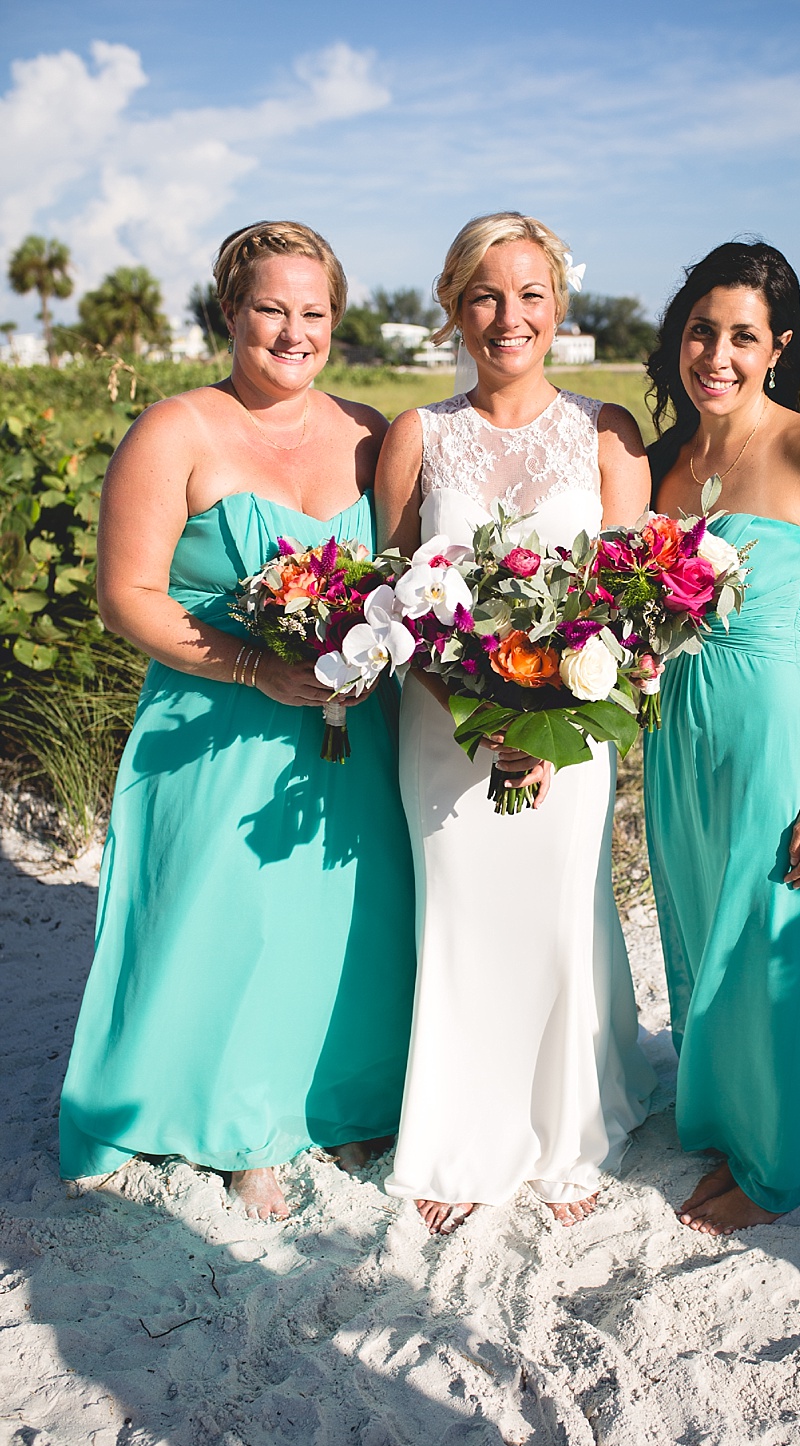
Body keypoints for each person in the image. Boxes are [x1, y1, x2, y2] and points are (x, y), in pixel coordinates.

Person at [60, 221, 416, 1219]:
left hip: (355, 723)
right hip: (218, 715)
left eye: (314, 312)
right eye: (271, 309)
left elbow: (408, 578)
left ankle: (342, 1099)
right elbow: (126, 593)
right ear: (230, 313)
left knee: (353, 916)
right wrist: (259, 669)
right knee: (236, 918)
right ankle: (238, 1124)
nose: (293, 332)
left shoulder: (371, 431)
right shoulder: (175, 430)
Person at [375, 213, 656, 1234]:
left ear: (559, 307)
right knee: (459, 910)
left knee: (555, 912)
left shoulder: (605, 432)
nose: (510, 317)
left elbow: (632, 603)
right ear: (455, 308)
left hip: (572, 728)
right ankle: (458, 1134)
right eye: (487, 296)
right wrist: (484, 716)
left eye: (531, 295)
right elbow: (393, 602)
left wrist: (545, 718)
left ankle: (570, 1127)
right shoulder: (419, 434)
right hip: (445, 726)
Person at [642, 241, 800, 1236]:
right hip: (674, 723)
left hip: (770, 718)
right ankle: (731, 1117)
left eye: (743, 335)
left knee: (764, 933)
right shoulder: (665, 460)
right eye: (702, 330)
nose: (718, 354)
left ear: (779, 346)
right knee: (699, 929)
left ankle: (775, 1168)